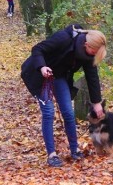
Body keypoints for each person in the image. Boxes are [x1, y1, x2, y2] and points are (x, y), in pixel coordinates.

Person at [20, 26, 107, 167]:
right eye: (94, 52)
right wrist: (42, 67)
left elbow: (92, 78)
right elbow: (37, 49)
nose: (94, 55)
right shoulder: (64, 39)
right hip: (40, 75)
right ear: (87, 44)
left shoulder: (89, 54)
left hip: (59, 76)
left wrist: (96, 102)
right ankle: (52, 154)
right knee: (48, 112)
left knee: (68, 112)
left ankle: (75, 149)